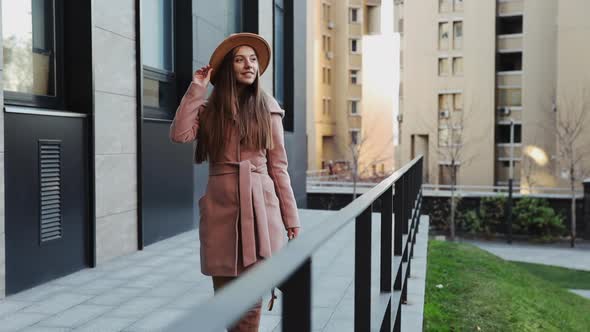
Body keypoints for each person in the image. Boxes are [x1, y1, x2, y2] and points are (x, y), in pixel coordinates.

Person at [169, 33, 301, 332]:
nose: (248, 65)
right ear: (229, 67)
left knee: (252, 296)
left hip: (261, 206)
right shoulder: (210, 109)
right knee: (226, 299)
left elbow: (279, 168)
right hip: (221, 209)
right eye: (240, 59)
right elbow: (179, 134)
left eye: (253, 59)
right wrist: (196, 89)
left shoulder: (268, 108)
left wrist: (291, 218)